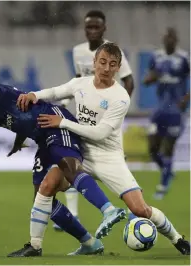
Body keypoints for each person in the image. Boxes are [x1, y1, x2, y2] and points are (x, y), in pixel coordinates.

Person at [17, 42, 190, 256]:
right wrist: (35, 94)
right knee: (47, 186)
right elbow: (55, 91)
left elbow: (99, 133)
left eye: (112, 64)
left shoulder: (120, 97)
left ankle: (177, 239)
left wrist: (62, 123)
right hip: (80, 152)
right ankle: (35, 245)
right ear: (94, 62)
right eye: (103, 62)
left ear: (118, 68)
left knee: (139, 209)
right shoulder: (80, 83)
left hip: (109, 157)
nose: (106, 68)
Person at [0, 71, 125, 256]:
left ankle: (109, 210)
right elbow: (19, 116)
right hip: (41, 136)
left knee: (68, 164)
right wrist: (19, 141)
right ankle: (85, 243)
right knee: (41, 198)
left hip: (55, 123)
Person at [57, 10, 135, 229]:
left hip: (108, 116)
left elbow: (129, 80)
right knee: (72, 160)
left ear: (104, 29)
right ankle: (73, 214)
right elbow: (80, 81)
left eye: (96, 27)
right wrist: (64, 104)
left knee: (116, 167)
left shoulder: (112, 51)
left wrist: (119, 107)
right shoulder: (77, 51)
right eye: (88, 27)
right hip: (86, 115)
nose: (92, 31)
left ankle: (132, 209)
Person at [143, 27, 190, 200]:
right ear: (163, 40)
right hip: (159, 111)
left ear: (176, 41)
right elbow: (148, 78)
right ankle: (167, 170)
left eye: (172, 38)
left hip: (176, 112)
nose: (169, 41)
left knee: (168, 149)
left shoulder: (184, 58)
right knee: (152, 149)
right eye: (166, 38)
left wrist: (186, 98)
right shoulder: (156, 56)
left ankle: (162, 186)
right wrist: (150, 79)